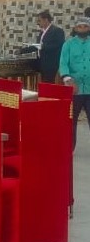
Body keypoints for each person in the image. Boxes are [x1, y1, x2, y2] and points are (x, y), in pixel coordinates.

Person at [59, 17, 90, 148]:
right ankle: (69, 148)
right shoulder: (68, 44)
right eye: (80, 26)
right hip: (74, 89)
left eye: (85, 26)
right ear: (75, 28)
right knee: (71, 120)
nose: (82, 29)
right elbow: (63, 63)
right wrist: (68, 79)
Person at [18, 10, 65, 83]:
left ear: (46, 20)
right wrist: (22, 51)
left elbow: (59, 45)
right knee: (43, 82)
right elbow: (37, 46)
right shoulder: (42, 32)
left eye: (39, 21)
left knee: (48, 83)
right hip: (41, 62)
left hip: (51, 63)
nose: (38, 23)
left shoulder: (57, 31)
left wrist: (43, 47)